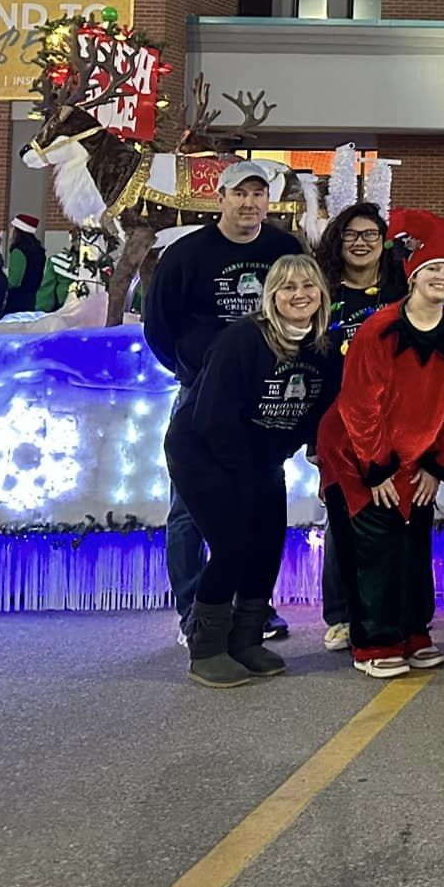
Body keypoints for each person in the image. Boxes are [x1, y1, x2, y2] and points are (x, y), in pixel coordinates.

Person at [143, 162, 306, 643]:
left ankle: (252, 606)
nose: (250, 203)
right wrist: (193, 374)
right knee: (190, 508)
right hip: (201, 395)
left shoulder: (283, 249)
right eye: (240, 193)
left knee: (259, 501)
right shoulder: (186, 254)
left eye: (259, 194)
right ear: (220, 198)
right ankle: (193, 610)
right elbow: (158, 325)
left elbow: (305, 303)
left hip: (266, 396)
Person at [316, 209, 444, 677]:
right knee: (374, 546)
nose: (443, 277)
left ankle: (413, 631)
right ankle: (374, 642)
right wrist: (378, 469)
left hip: (415, 460)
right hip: (357, 454)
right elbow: (359, 406)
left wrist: (436, 465)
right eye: (433, 269)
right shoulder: (379, 330)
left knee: (412, 544)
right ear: (413, 276)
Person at [165, 255, 337, 687]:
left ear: (321, 293)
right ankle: (206, 647)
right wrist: (245, 480)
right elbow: (212, 417)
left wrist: (317, 457)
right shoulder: (242, 340)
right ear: (271, 296)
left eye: (308, 286)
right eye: (287, 288)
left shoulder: (325, 350)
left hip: (262, 456)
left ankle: (246, 639)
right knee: (234, 544)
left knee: (266, 545)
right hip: (203, 452)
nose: (299, 295)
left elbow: (323, 414)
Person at [312, 202, 407, 650]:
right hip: (339, 427)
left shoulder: (401, 292)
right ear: (339, 241)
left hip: (396, 426)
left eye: (370, 234)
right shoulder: (323, 295)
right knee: (342, 519)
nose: (361, 242)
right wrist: (315, 438)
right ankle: (342, 615)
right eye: (352, 234)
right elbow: (312, 365)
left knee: (394, 517)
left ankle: (391, 611)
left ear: (383, 241)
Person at [2, 213, 47, 315]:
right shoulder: (39, 250)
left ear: (18, 231)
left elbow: (14, 281)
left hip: (18, 301)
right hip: (34, 297)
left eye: (13, 227)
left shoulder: (18, 251)